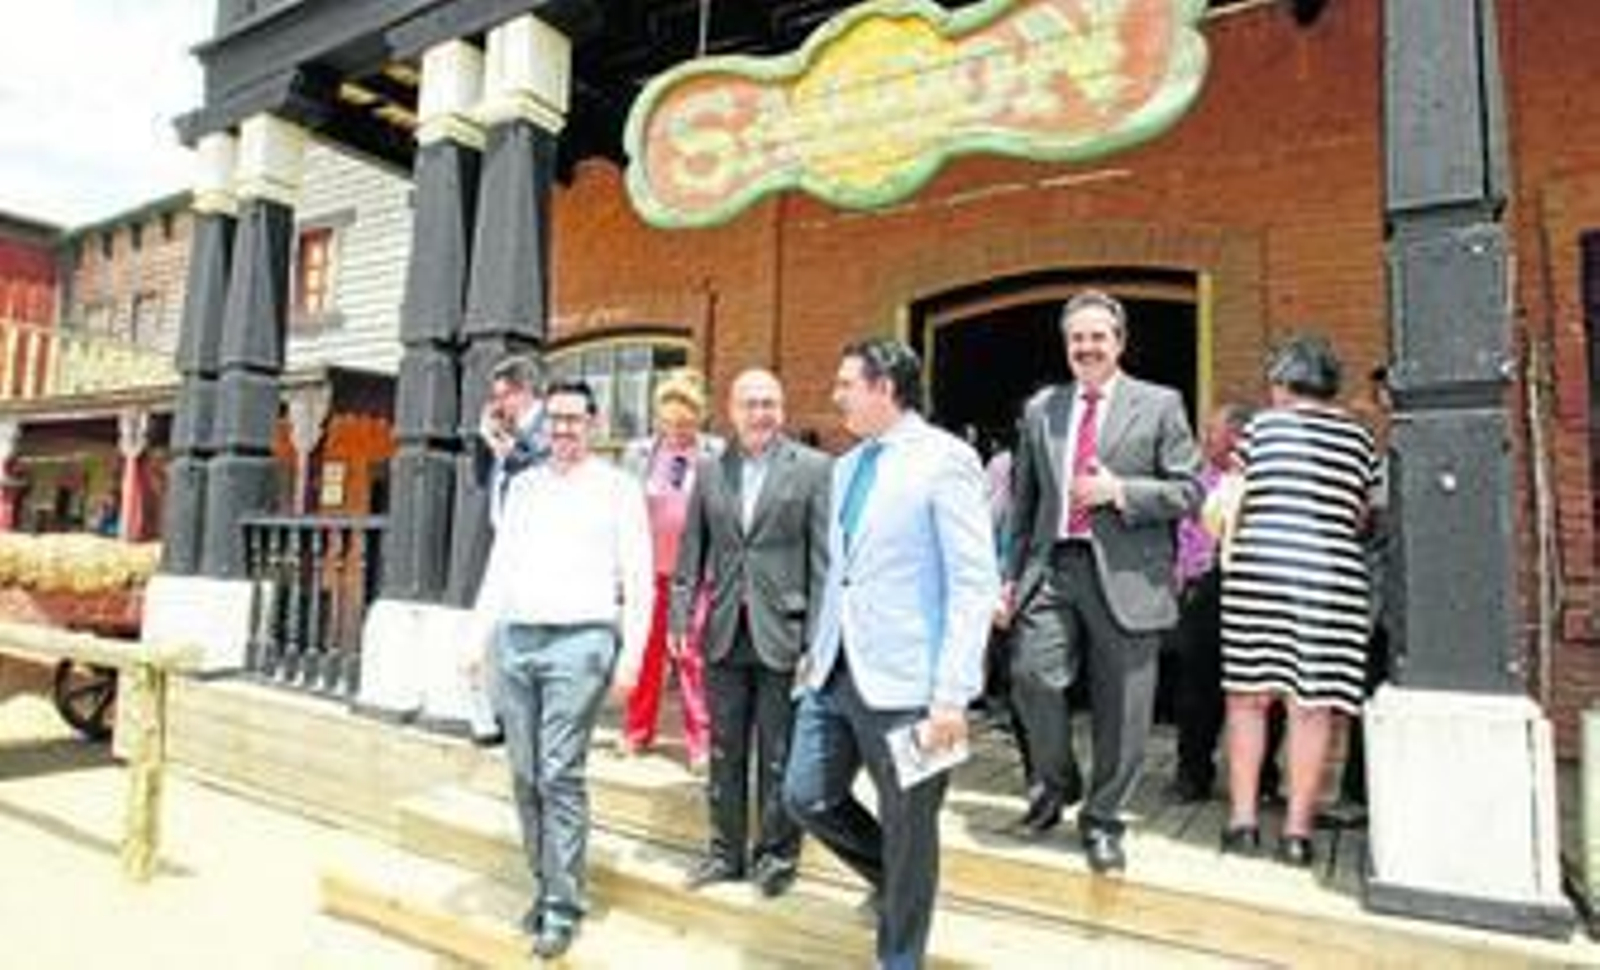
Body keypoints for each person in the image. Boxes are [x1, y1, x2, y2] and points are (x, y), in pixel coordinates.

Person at [783, 338, 997, 970]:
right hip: (835, 672)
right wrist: (817, 652)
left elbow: (973, 582)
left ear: (884, 388)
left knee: (910, 825)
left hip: (913, 686)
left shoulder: (947, 460)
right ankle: (899, 879)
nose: (836, 396)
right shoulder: (847, 466)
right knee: (805, 796)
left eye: (846, 384)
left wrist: (952, 695)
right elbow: (841, 575)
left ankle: (899, 955)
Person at [1003, 290, 1202, 874]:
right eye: (1076, 338)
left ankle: (1103, 820)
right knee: (1031, 676)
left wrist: (1120, 492)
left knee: (1124, 709)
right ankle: (1056, 781)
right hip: (1052, 566)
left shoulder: (1160, 404)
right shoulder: (1043, 409)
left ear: (1119, 342)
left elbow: (1190, 490)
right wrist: (1009, 577)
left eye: (1097, 337)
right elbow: (1024, 502)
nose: (1086, 347)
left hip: (1128, 574)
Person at [472, 380, 653, 959]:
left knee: (559, 773)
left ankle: (562, 906)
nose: (564, 429)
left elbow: (640, 580)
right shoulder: (524, 487)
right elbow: (500, 566)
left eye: (574, 419)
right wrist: (476, 639)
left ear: (593, 424)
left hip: (582, 642)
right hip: (518, 640)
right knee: (525, 775)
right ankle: (545, 882)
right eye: (555, 419)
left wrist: (632, 658)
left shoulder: (619, 489)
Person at [671, 368, 831, 898]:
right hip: (724, 631)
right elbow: (690, 554)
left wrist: (818, 640)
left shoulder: (814, 470)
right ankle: (725, 853)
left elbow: (824, 565)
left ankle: (777, 856)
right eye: (750, 404)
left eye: (769, 403)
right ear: (731, 411)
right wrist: (678, 618)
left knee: (780, 753)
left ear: (782, 409)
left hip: (785, 634)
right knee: (724, 750)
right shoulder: (710, 470)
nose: (760, 413)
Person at [1219, 335, 1378, 867]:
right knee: (1312, 707)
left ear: (1283, 382)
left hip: (1259, 572)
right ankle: (1297, 835)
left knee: (1248, 700)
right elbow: (1362, 513)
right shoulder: (1359, 438)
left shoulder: (1261, 428)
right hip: (1331, 580)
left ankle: (1243, 824)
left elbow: (1232, 496)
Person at [619, 370, 724, 768]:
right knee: (647, 653)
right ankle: (637, 731)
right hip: (649, 572)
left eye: (685, 424)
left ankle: (701, 742)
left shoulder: (716, 453)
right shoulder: (639, 454)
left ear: (700, 417)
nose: (677, 432)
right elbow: (625, 513)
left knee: (691, 653)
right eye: (668, 422)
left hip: (695, 574)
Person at [1166, 402, 1256, 802]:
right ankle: (1192, 774)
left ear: (1237, 436)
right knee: (1196, 688)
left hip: (1248, 589)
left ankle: (1260, 780)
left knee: (1254, 688)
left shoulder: (1258, 479)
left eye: (1212, 432)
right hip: (1200, 592)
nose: (1204, 440)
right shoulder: (1196, 480)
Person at [467, 354, 549, 745]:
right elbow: (483, 478)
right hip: (504, 539)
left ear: (524, 392)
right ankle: (494, 715)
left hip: (536, 544)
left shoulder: (547, 425)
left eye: (503, 396)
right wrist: (485, 441)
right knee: (492, 631)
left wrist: (505, 447)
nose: (498, 404)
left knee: (523, 632)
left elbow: (541, 470)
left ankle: (519, 716)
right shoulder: (507, 428)